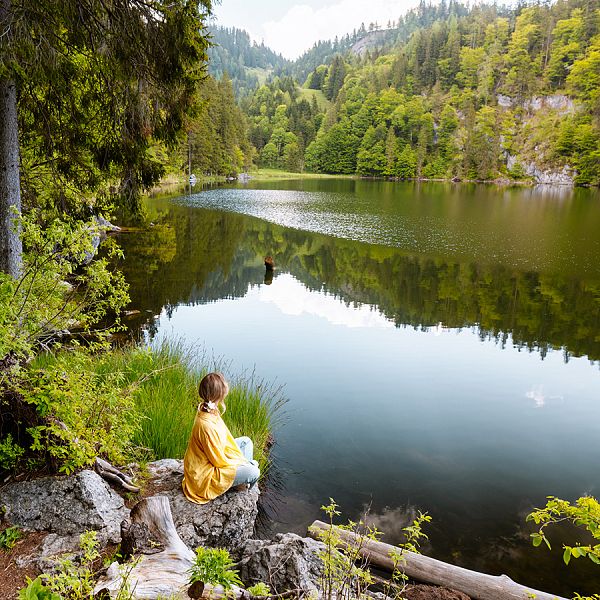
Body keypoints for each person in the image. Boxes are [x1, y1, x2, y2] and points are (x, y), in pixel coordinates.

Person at [182, 372, 260, 504]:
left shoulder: (207, 408)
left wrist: (240, 461)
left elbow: (223, 441)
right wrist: (243, 464)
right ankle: (242, 485)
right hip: (205, 475)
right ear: (217, 394)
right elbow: (218, 461)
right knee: (254, 471)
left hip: (215, 456)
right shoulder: (206, 425)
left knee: (246, 442)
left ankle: (239, 478)